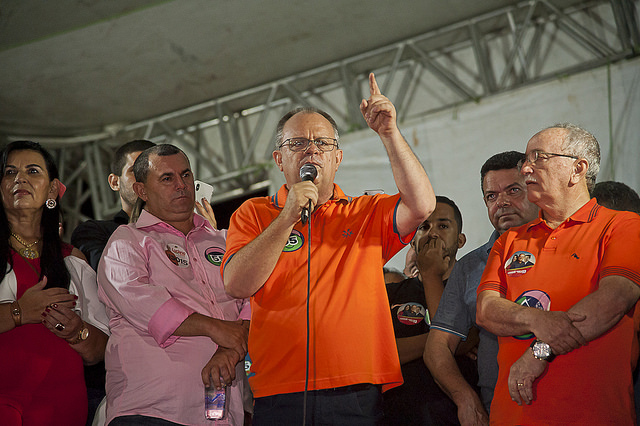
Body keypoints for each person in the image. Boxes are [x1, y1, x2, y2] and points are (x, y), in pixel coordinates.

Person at [222, 73, 435, 424]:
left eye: (322, 143)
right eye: (298, 144)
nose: (312, 150)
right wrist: (287, 216)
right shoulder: (254, 214)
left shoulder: (365, 212)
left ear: (337, 158)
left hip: (354, 390)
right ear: (279, 159)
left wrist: (389, 134)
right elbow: (237, 284)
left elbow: (422, 205)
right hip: (279, 390)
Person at [476, 124, 640, 425]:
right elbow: (486, 311)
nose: (526, 168)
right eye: (525, 160)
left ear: (578, 169)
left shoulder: (623, 226)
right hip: (513, 416)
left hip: (594, 414)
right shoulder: (508, 240)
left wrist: (539, 352)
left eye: (539, 157)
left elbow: (614, 299)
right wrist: (536, 320)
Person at [97, 144, 250, 425]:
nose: (181, 185)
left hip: (223, 414)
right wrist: (216, 329)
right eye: (167, 178)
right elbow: (143, 303)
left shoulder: (224, 239)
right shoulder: (126, 241)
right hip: (151, 410)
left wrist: (231, 347)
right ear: (142, 191)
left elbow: (255, 297)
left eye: (186, 175)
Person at [424, 151, 539, 425]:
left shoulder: (568, 246)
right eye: (491, 196)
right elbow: (437, 347)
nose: (502, 202)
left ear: (535, 190)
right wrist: (465, 398)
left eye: (513, 190)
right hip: (499, 411)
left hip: (571, 403)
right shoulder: (471, 266)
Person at [0, 140, 109, 425]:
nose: (19, 178)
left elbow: (100, 349)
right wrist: (18, 312)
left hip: (63, 405)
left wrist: (76, 331)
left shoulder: (71, 262)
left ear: (52, 190)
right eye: (9, 172)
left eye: (32, 171)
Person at [384, 196, 471, 425]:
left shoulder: (474, 288)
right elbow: (380, 355)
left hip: (455, 415)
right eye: (424, 226)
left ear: (460, 240)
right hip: (397, 414)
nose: (432, 233)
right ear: (412, 241)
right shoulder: (390, 293)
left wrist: (431, 275)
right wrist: (440, 341)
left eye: (443, 226)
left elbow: (464, 343)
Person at [72, 139, 156, 272]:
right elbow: (111, 275)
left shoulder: (187, 230)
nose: (144, 178)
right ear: (115, 182)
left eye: (153, 171)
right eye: (135, 171)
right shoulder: (94, 231)